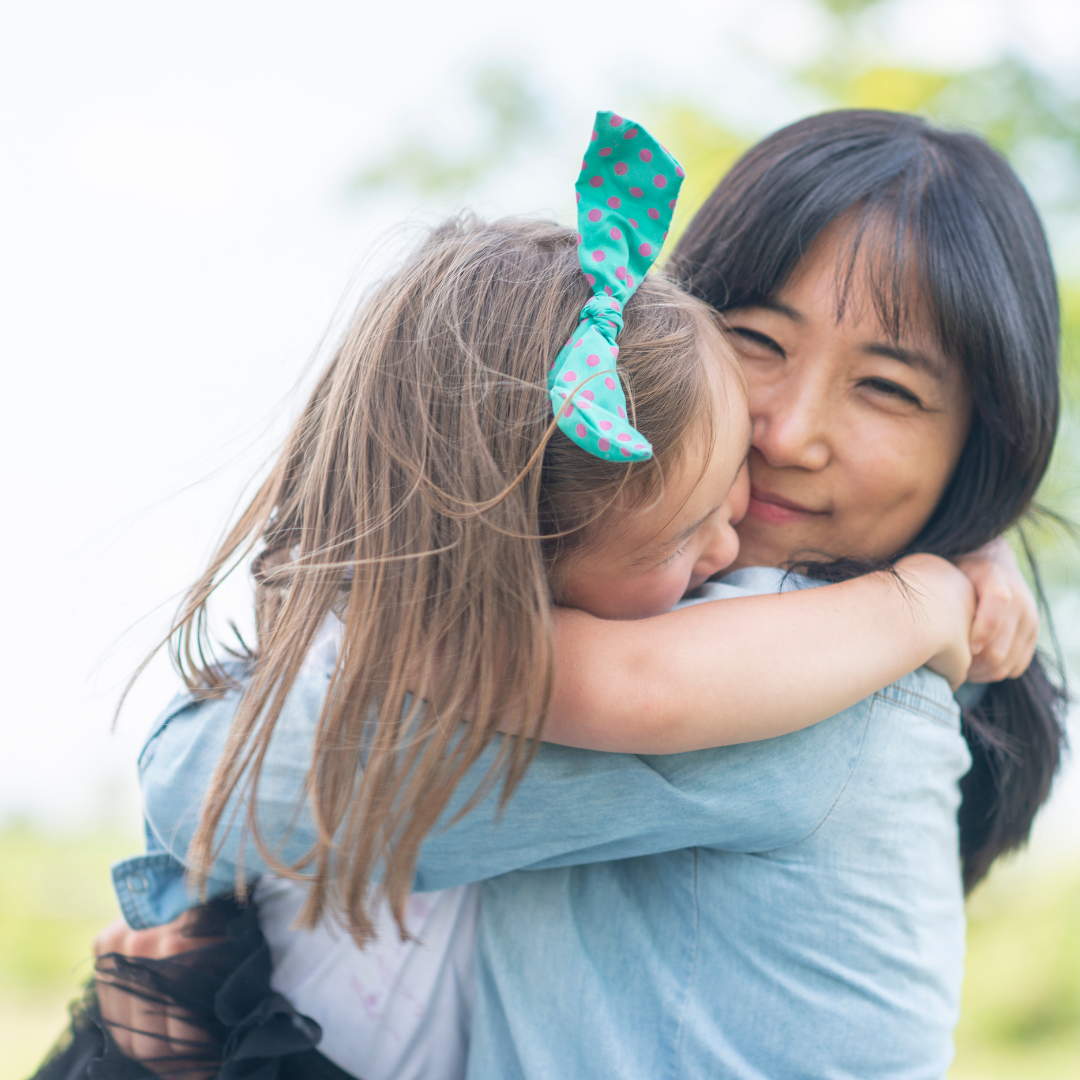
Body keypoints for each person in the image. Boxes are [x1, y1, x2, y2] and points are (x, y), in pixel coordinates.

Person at [42, 109, 1063, 1080]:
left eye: (888, 388)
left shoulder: (809, 696)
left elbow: (228, 791)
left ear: (975, 448)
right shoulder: (821, 633)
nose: (791, 433)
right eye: (757, 339)